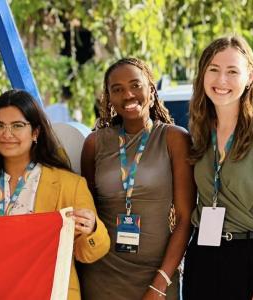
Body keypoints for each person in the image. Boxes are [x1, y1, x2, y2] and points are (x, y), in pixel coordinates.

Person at [0, 89, 110, 300]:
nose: (7, 134)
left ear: (35, 132)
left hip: (50, 294)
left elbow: (90, 253)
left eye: (17, 126)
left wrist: (91, 229)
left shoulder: (69, 184)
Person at [183, 35, 253, 299]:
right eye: (213, 69)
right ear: (202, 75)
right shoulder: (199, 129)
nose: (221, 80)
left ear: (250, 77)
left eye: (232, 71)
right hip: (203, 257)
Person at [78, 58, 195, 300]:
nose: (128, 95)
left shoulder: (174, 139)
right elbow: (88, 211)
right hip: (101, 276)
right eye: (117, 89)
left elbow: (185, 219)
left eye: (135, 85)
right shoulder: (94, 143)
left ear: (151, 90)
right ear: (109, 98)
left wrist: (159, 285)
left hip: (158, 276)